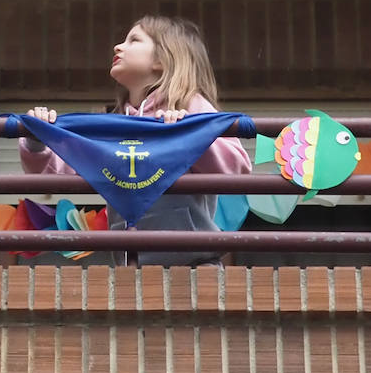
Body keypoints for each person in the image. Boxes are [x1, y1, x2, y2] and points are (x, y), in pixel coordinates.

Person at [20, 16, 252, 266]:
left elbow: (236, 169)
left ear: (162, 60)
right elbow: (61, 172)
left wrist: (189, 134)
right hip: (129, 266)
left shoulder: (189, 105)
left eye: (134, 40)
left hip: (193, 263)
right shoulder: (114, 124)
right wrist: (38, 139)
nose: (118, 47)